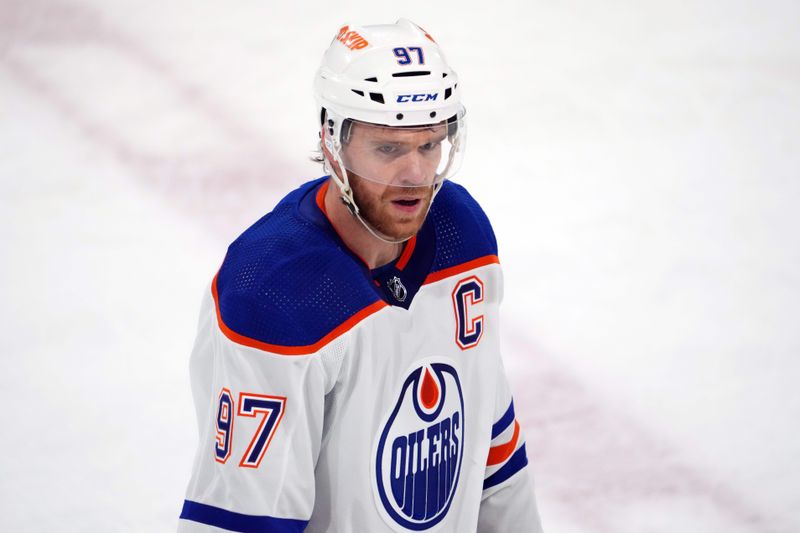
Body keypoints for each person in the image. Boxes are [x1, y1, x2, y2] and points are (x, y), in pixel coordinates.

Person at [178, 19, 544, 533]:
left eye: (429, 144)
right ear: (333, 142)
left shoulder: (463, 235)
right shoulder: (273, 292)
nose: (416, 174)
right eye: (388, 149)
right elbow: (242, 519)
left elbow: (493, 451)